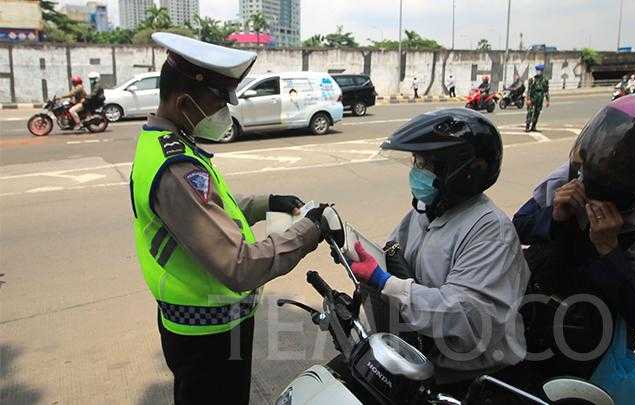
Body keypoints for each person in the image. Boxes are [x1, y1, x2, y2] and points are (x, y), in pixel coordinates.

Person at [130, 32, 334, 405]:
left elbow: (212, 207)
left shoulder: (168, 143)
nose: (226, 111)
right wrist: (309, 230)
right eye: (219, 101)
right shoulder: (175, 167)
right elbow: (240, 267)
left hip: (205, 321)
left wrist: (265, 203)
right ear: (184, 101)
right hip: (208, 333)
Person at [511, 94, 635, 392]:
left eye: (632, 156)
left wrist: (609, 251)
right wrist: (553, 216)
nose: (612, 159)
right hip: (521, 323)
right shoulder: (570, 177)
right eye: (611, 146)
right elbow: (519, 228)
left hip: (586, 352)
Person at [341, 108, 530, 399]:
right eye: (416, 161)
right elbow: (393, 254)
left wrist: (383, 282)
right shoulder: (426, 211)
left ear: (463, 172)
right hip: (418, 357)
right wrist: (353, 254)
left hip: (470, 378)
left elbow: (463, 315)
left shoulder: (491, 231)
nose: (416, 170)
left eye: (426, 163)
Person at [525, 64, 549, 132]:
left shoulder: (545, 80)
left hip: (540, 98)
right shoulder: (532, 79)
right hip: (533, 97)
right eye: (537, 70)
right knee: (530, 111)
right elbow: (529, 90)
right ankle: (527, 126)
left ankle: (533, 126)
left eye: (540, 70)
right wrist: (528, 99)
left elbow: (546, 91)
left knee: (537, 112)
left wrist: (547, 100)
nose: (539, 72)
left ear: (542, 71)